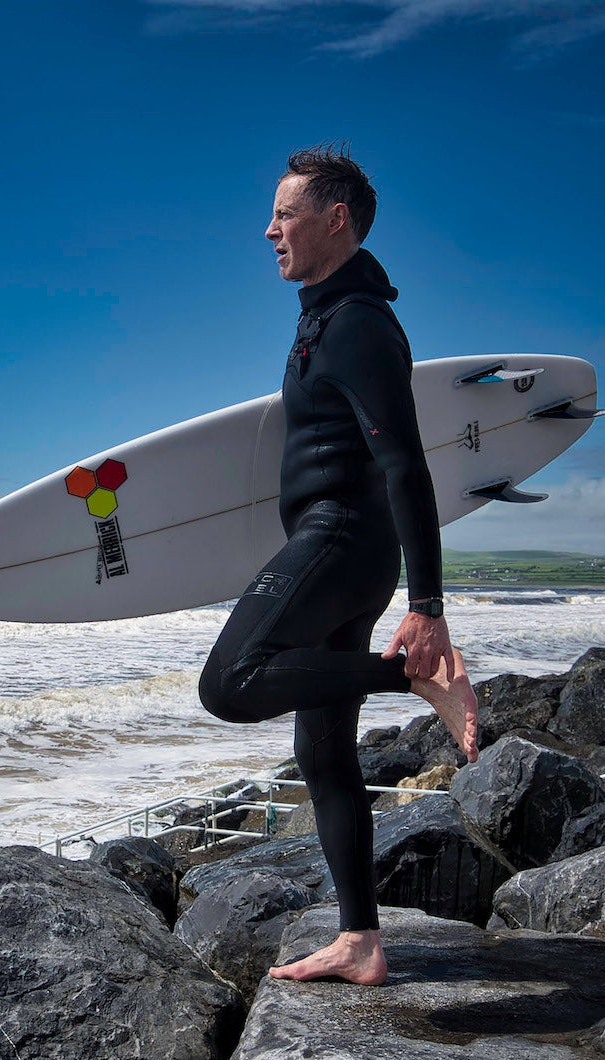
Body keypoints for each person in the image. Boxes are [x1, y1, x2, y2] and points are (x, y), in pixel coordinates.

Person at [197, 146, 477, 986]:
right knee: (325, 757)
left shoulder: (359, 326)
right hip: (341, 547)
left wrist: (427, 608)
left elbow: (406, 466)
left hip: (342, 541)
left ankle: (412, 678)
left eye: (284, 214)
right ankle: (361, 939)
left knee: (231, 682)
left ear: (336, 218)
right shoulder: (327, 313)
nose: (269, 228)